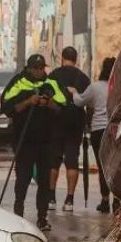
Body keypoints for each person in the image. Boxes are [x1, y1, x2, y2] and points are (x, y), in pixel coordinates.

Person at [1, 54, 67, 232]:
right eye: (36, 68)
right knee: (22, 178)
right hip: (24, 141)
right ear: (29, 68)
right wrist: (29, 102)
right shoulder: (19, 82)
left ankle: (42, 217)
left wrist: (51, 104)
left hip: (46, 142)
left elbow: (64, 108)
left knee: (45, 181)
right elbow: (7, 108)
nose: (39, 71)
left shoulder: (51, 83)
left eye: (41, 68)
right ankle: (18, 213)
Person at [48, 46, 91, 212]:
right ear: (76, 59)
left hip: (55, 123)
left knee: (54, 162)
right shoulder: (83, 78)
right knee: (72, 162)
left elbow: (47, 98)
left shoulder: (53, 76)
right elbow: (88, 103)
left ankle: (51, 198)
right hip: (75, 124)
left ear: (62, 58)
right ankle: (70, 200)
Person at [75, 57, 115, 214]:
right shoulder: (119, 86)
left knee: (103, 167)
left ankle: (105, 201)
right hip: (116, 130)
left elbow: (80, 101)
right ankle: (117, 202)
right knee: (115, 165)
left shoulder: (96, 87)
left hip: (99, 130)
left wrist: (73, 93)